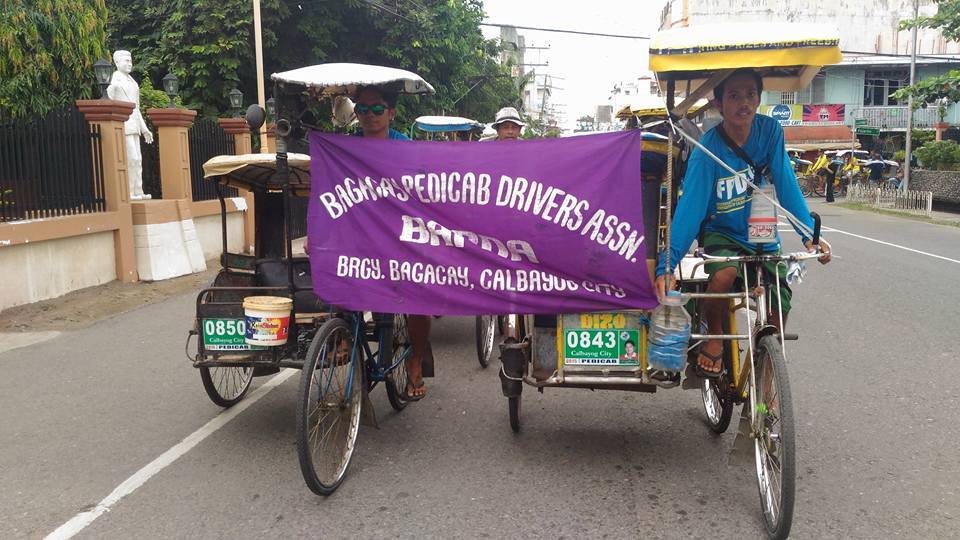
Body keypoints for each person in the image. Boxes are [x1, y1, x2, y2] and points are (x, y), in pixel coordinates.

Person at [654, 69, 831, 377]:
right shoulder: (707, 150)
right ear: (719, 103)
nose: (744, 102)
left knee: (779, 304)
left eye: (750, 94)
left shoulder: (770, 131)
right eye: (734, 96)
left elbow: (786, 183)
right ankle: (714, 337)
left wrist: (809, 236)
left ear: (759, 99)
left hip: (762, 234)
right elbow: (691, 209)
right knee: (723, 275)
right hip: (721, 234)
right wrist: (667, 266)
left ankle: (768, 372)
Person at [353, 85, 432, 400]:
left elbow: (424, 191)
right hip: (362, 234)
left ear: (391, 113)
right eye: (363, 109)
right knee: (336, 276)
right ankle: (343, 337)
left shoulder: (406, 148)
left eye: (377, 108)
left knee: (419, 301)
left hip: (401, 234)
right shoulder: (345, 148)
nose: (369, 115)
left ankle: (416, 360)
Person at [106, 50, 154, 200]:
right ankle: (129, 192)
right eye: (126, 60)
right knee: (131, 158)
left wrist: (145, 129)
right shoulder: (114, 80)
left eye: (130, 60)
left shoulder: (134, 83)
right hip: (123, 125)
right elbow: (109, 100)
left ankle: (138, 190)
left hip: (134, 126)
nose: (129, 63)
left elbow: (136, 109)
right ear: (117, 63)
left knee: (138, 160)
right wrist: (110, 89)